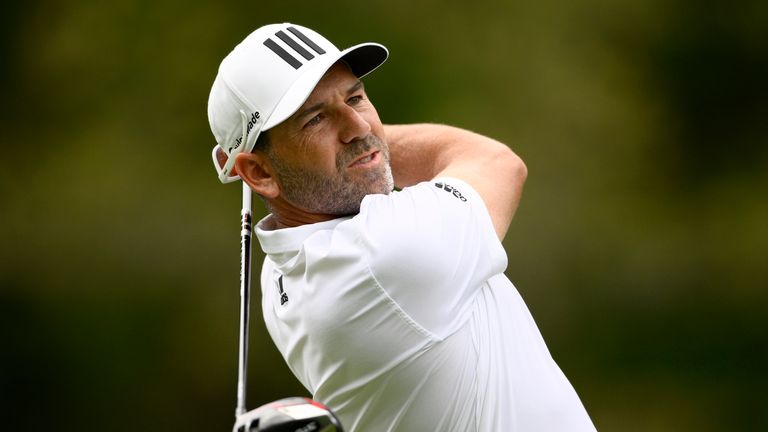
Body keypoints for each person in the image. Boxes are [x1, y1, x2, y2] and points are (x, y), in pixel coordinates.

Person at [207, 23, 596, 431]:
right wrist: (370, 144)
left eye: (355, 97)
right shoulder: (385, 255)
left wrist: (353, 144)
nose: (359, 126)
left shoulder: (280, 272)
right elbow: (498, 163)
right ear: (257, 173)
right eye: (315, 120)